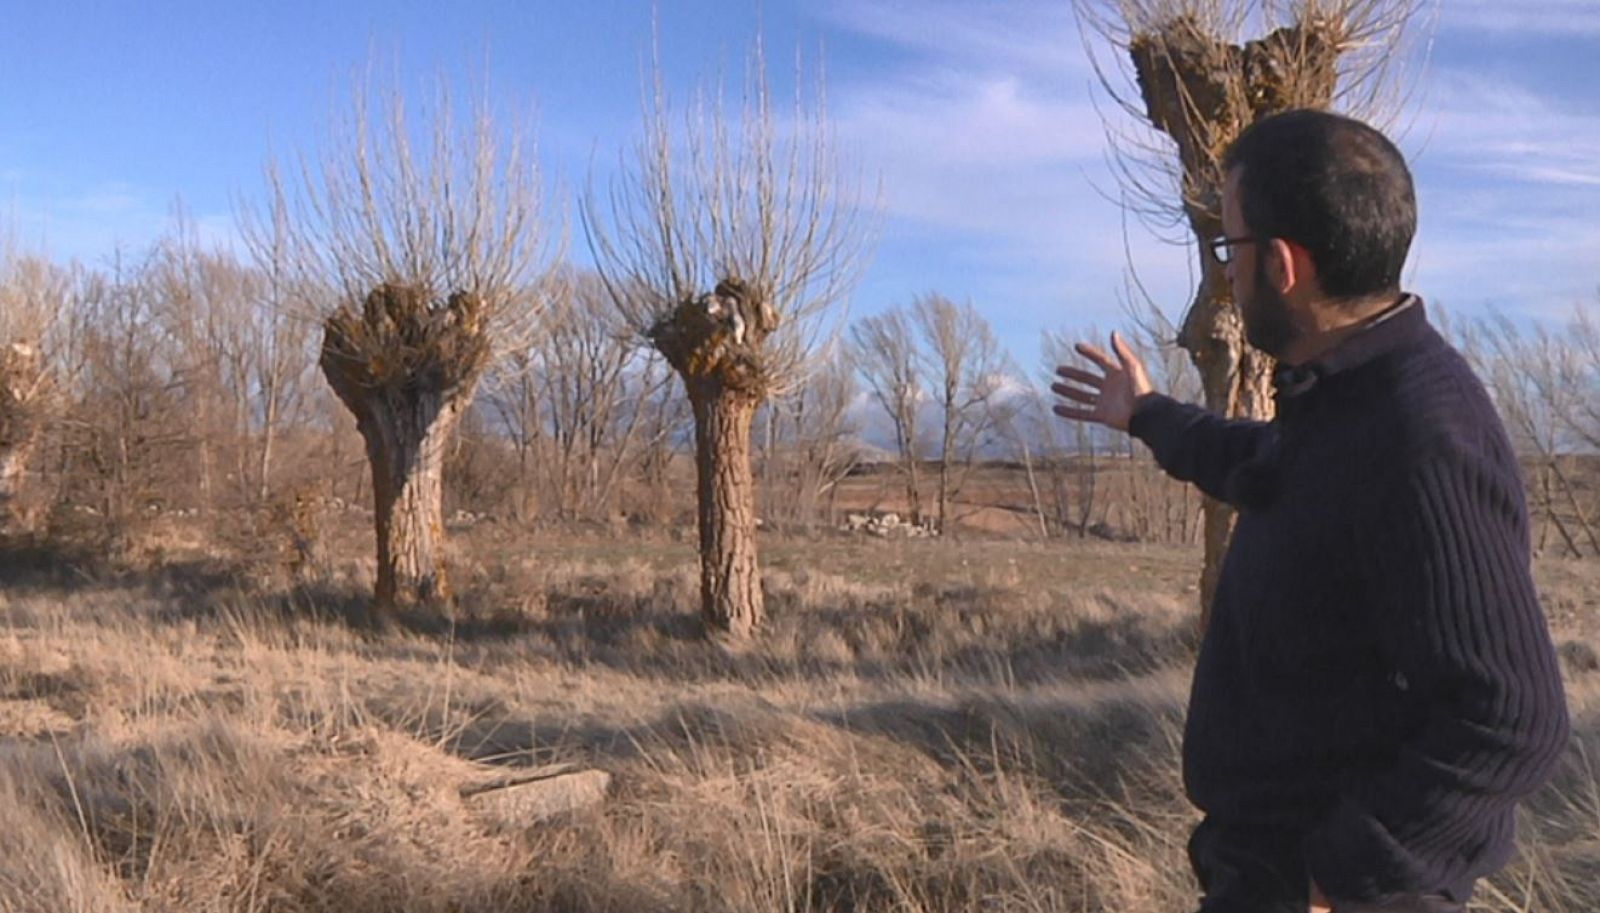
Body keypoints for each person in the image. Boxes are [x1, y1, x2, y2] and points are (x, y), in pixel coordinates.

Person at [1051, 109, 1569, 913]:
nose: (1225, 274)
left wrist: (1338, 876)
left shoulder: (1422, 434)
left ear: (1284, 265)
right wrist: (1147, 414)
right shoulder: (1349, 394)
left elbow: (1512, 716)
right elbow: (1269, 468)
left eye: (1231, 249)